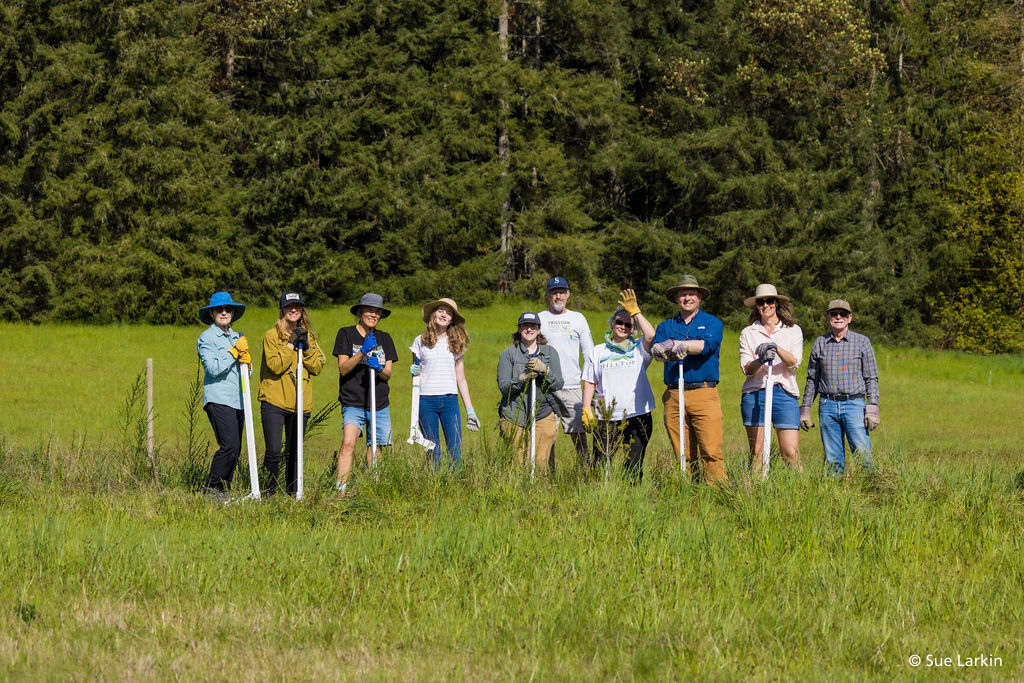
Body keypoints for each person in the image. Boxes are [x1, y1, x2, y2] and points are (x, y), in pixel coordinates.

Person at [651, 274, 728, 484]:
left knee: (711, 450)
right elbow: (657, 350)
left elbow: (706, 346)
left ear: (700, 297)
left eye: (691, 293)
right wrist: (663, 348)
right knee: (682, 452)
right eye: (683, 294)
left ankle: (719, 493)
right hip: (674, 394)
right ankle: (689, 494)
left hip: (704, 392)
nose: (687, 298)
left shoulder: (712, 323)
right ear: (676, 298)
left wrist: (678, 345)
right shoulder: (665, 326)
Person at [581, 290, 656, 482]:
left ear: (633, 328)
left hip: (637, 415)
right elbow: (590, 381)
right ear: (612, 324)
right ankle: (600, 499)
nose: (622, 326)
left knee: (633, 465)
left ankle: (631, 500)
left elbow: (651, 335)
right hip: (606, 417)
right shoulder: (597, 351)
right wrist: (586, 409)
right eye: (619, 322)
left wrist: (636, 312)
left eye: (628, 324)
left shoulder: (639, 348)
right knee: (600, 465)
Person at [800, 299, 880, 476]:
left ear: (849, 318)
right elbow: (812, 379)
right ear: (827, 317)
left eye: (843, 314)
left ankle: (870, 493)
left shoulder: (862, 342)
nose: (838, 317)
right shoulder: (820, 343)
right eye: (834, 314)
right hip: (827, 406)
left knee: (863, 455)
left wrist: (872, 407)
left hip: (855, 405)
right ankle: (836, 496)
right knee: (833, 459)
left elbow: (871, 377)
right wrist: (805, 410)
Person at [257, 291, 326, 496]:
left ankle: (293, 493)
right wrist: (290, 344)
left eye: (297, 306)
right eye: (289, 306)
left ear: (302, 310)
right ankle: (269, 493)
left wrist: (305, 348)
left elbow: (316, 368)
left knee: (295, 452)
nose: (293, 309)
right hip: (274, 401)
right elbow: (276, 366)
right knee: (274, 451)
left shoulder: (309, 336)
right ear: (283, 310)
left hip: (300, 402)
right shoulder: (271, 336)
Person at [332, 293, 399, 496]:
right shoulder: (345, 334)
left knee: (375, 446)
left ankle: (373, 487)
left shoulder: (385, 339)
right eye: (370, 310)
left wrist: (378, 367)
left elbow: (388, 374)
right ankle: (341, 490)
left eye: (377, 312)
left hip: (378, 402)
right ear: (360, 312)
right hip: (353, 401)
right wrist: (362, 353)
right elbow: (343, 368)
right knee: (348, 442)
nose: (373, 314)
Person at [738, 284, 803, 474]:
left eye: (769, 301)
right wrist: (760, 359)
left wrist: (775, 348)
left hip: (784, 393)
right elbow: (747, 369)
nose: (765, 305)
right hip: (755, 393)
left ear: (776, 304)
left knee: (790, 452)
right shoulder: (748, 333)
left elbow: (793, 362)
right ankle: (756, 494)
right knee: (757, 452)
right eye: (760, 302)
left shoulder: (793, 330)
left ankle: (800, 493)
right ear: (756, 306)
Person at [409, 298, 479, 468]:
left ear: (452, 319)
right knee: (432, 449)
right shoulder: (420, 341)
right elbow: (416, 373)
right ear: (433, 314)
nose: (444, 314)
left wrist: (470, 411)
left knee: (455, 449)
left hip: (450, 401)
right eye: (440, 310)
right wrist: (413, 371)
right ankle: (434, 487)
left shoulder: (456, 343)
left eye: (448, 313)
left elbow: (461, 378)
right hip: (425, 401)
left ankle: (456, 488)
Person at [196, 291, 250, 499]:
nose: (224, 313)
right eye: (219, 310)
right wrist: (234, 353)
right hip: (218, 398)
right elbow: (213, 368)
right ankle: (211, 488)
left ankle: (222, 491)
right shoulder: (206, 338)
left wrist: (247, 362)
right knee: (229, 445)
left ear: (233, 312)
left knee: (236, 450)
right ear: (211, 313)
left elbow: (245, 372)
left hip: (238, 399)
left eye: (228, 309)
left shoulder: (237, 337)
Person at [496, 312, 564, 471]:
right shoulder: (508, 354)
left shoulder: (550, 352)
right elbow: (504, 387)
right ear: (519, 329)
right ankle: (518, 494)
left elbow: (558, 383)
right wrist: (523, 378)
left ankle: (539, 494)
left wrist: (545, 370)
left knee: (540, 464)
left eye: (533, 326)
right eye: (525, 326)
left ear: (539, 330)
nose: (529, 329)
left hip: (543, 413)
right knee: (518, 464)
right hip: (515, 415)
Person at [537, 276, 594, 467]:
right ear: (548, 295)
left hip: (572, 386)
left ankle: (586, 473)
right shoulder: (540, 318)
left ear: (568, 294)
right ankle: (548, 477)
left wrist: (593, 385)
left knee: (579, 435)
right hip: (546, 388)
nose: (558, 296)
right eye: (554, 293)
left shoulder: (578, 318)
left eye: (561, 292)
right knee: (547, 436)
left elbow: (589, 354)